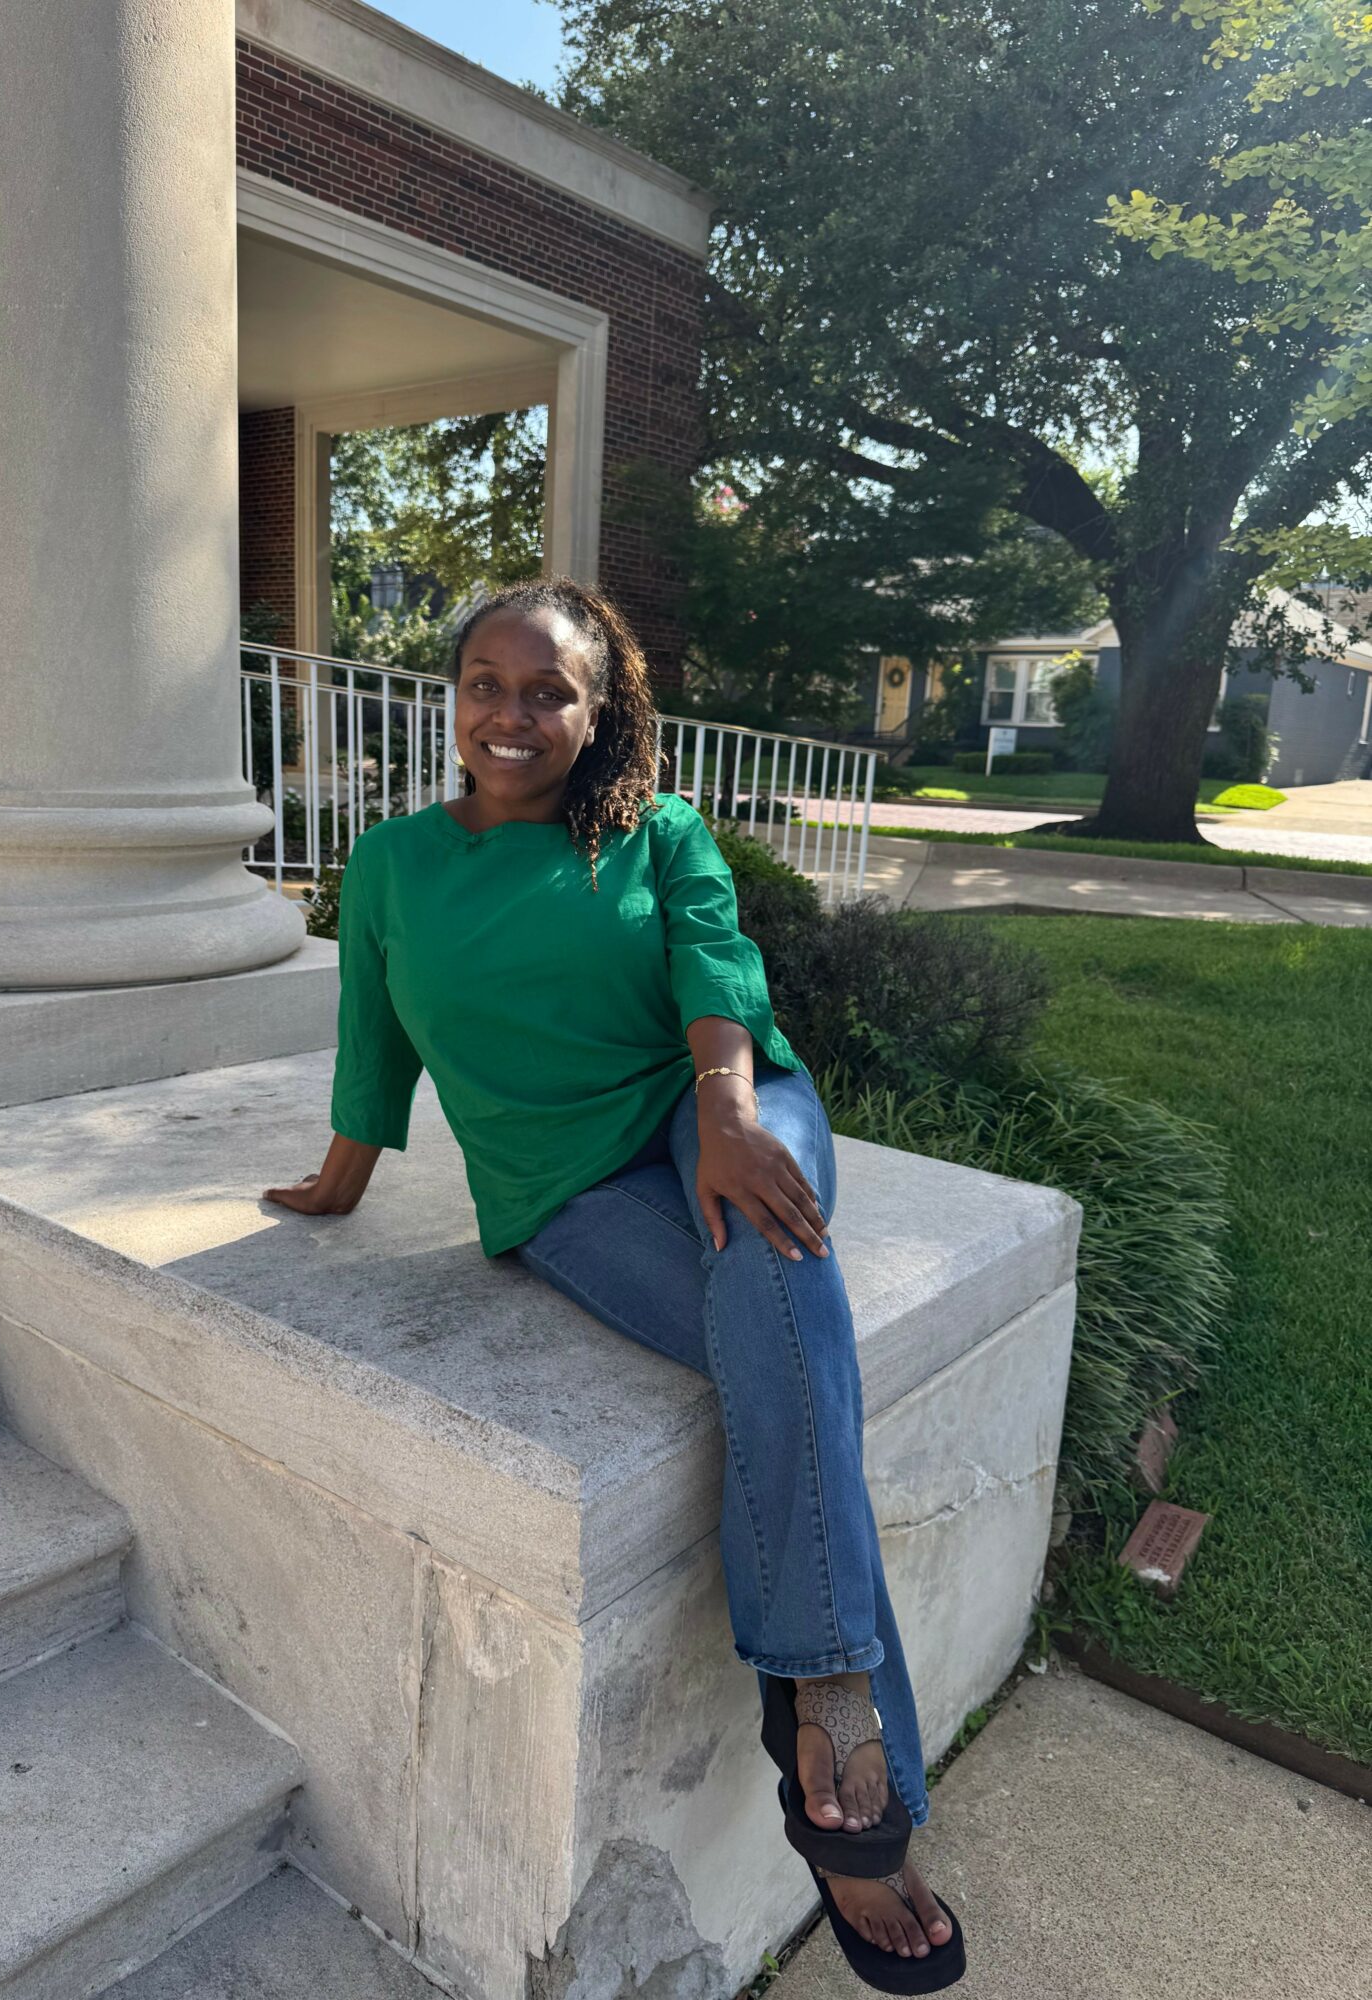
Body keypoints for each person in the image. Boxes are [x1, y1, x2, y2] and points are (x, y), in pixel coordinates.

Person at [265, 578, 964, 1991]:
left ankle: (829, 1694)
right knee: (789, 1345)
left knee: (773, 1258)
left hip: (724, 1106)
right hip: (565, 1190)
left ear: (599, 712)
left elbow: (717, 960)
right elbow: (371, 1037)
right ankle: (852, 1770)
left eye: (550, 692)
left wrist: (727, 1111)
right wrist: (341, 1176)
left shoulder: (657, 827)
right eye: (486, 683)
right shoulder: (392, 863)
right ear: (454, 696)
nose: (511, 715)